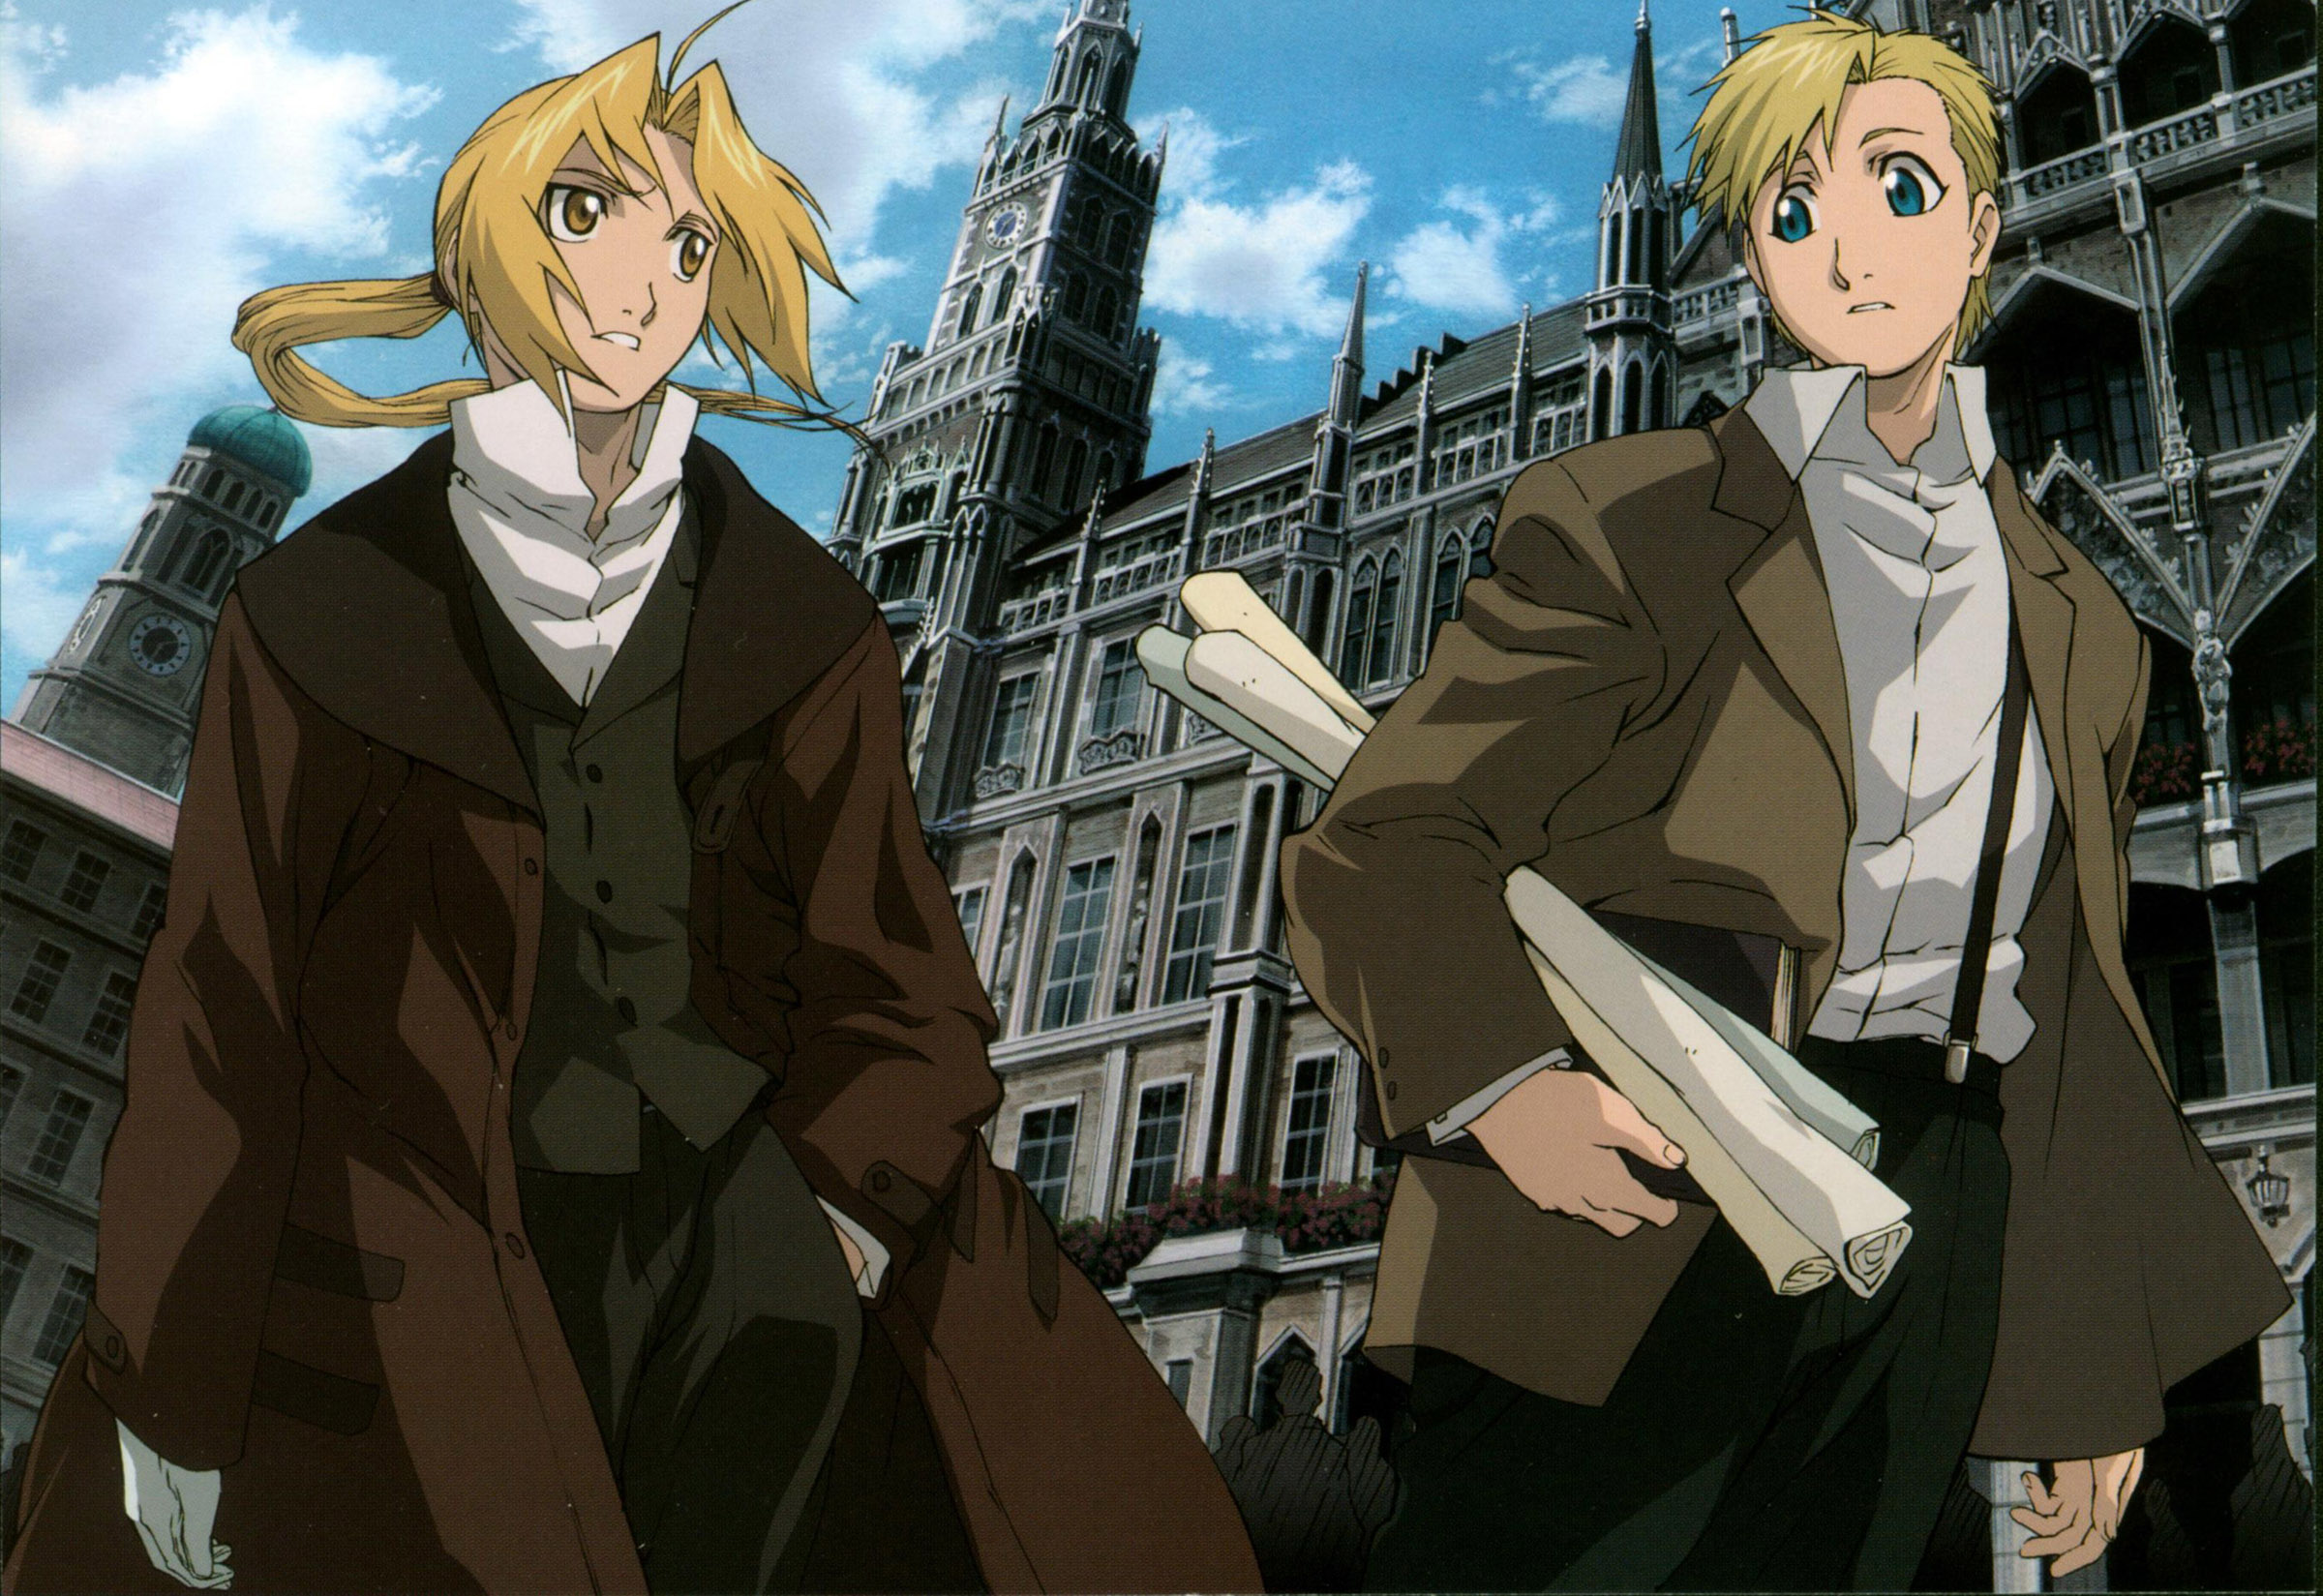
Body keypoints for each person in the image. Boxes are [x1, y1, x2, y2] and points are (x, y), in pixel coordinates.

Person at [2, 18, 1260, 1595]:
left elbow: (907, 999)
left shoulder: (806, 622)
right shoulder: (321, 609)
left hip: (722, 1315)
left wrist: (831, 1224)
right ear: (489, 251)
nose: (637, 279)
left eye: (690, 240)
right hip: (379, 1286)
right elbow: (223, 1008)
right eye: (584, 214)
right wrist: (175, 1379)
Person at [1280, 13, 2289, 1591]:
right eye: (1796, 209)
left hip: (1929, 1216)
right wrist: (1503, 1084)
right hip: (1655, 1173)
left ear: (1983, 226)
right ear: (1752, 255)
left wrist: (2091, 1364)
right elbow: (1383, 836)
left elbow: (2068, 1009)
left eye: (1901, 187)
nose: (1851, 250)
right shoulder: (1633, 517)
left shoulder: (2078, 617)